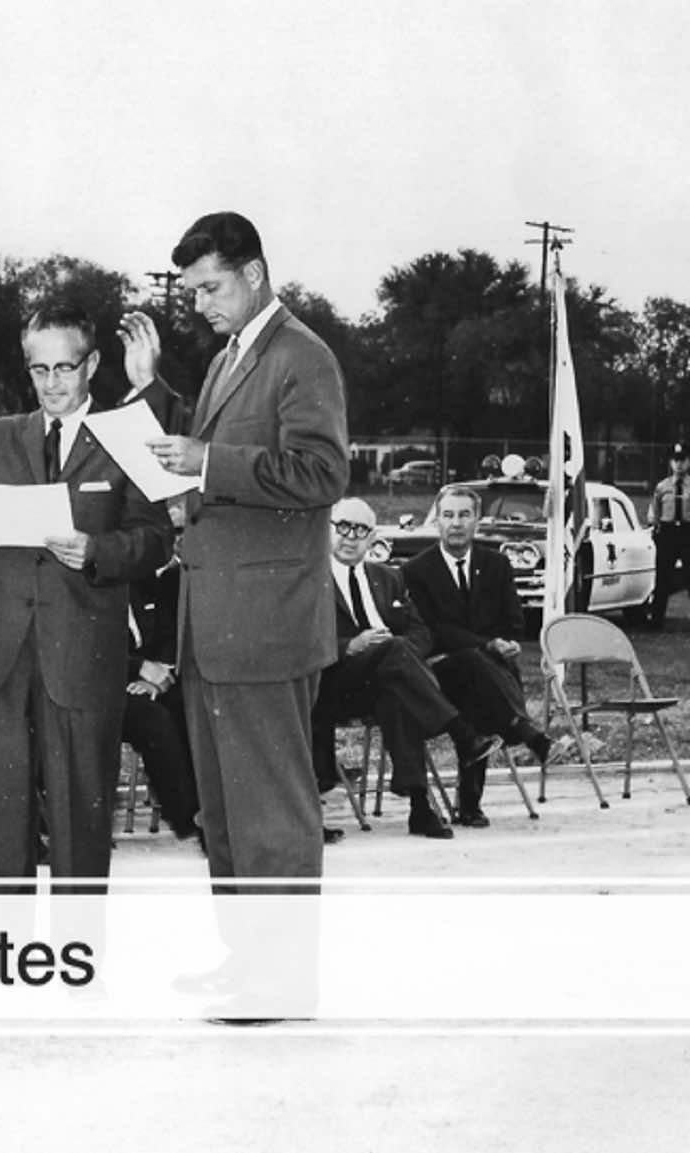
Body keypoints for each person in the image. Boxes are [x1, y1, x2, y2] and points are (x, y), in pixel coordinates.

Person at [145, 213, 348, 1022]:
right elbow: (225, 482)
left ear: (255, 273)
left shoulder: (301, 355)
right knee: (226, 812)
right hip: (214, 622)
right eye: (192, 291)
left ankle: (286, 978)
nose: (200, 304)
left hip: (266, 626)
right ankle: (249, 959)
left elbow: (322, 472)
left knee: (273, 813)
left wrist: (209, 463)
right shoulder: (227, 358)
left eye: (211, 287)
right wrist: (188, 488)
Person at [0, 300, 172, 885]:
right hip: (1, 659)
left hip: (83, 656)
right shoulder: (0, 435)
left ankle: (76, 942)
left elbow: (155, 541)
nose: (51, 383)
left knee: (80, 821)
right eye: (39, 369)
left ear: (91, 364)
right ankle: (6, 939)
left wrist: (96, 551)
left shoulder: (124, 435)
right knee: (1, 826)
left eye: (64, 368)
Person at [312, 498, 500, 840]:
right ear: (328, 529)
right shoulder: (310, 580)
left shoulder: (388, 577)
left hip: (385, 679)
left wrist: (398, 655)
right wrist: (349, 646)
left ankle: (419, 807)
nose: (350, 537)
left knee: (398, 690)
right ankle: (461, 731)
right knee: (397, 662)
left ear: (373, 538)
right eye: (343, 527)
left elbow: (421, 633)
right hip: (334, 682)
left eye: (361, 530)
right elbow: (302, 636)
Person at [401, 484, 555, 826]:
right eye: (448, 515)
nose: (456, 523)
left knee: (478, 684)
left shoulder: (496, 564)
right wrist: (487, 645)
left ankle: (471, 805)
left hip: (487, 676)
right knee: (474, 664)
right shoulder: (415, 571)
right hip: (439, 674)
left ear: (477, 520)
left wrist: (508, 643)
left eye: (464, 515)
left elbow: (514, 622)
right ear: (437, 521)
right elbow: (434, 630)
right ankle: (526, 733)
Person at [123, 551, 201, 842]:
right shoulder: (91, 581)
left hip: (147, 681)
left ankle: (207, 809)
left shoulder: (150, 581)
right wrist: (137, 668)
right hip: (102, 685)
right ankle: (185, 817)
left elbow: (166, 638)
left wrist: (156, 682)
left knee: (188, 703)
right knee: (153, 721)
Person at [649, 444, 690, 625]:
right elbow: (655, 511)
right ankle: (656, 619)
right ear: (671, 463)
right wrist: (656, 528)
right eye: (676, 461)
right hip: (668, 532)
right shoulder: (662, 486)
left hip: (687, 532)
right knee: (663, 576)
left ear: (688, 463)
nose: (679, 465)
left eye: (683, 460)